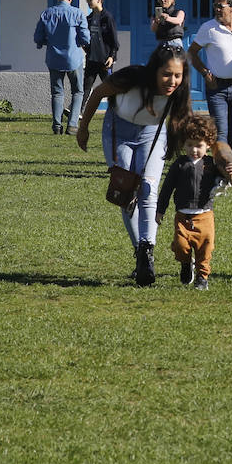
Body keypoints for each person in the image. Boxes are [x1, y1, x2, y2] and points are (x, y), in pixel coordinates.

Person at [76, 43, 193, 286]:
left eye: (178, 75)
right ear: (154, 71)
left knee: (148, 190)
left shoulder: (180, 92)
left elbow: (190, 126)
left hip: (152, 133)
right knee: (126, 192)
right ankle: (141, 253)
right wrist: (83, 128)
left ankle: (146, 251)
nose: (172, 81)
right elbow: (98, 93)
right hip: (119, 129)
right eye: (167, 74)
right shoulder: (132, 78)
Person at [156, 112, 232, 291]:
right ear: (183, 144)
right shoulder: (179, 165)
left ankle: (202, 277)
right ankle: (186, 264)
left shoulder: (212, 164)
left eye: (199, 146)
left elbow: (228, 173)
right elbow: (166, 188)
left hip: (204, 215)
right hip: (182, 216)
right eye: (189, 145)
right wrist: (160, 210)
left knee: (205, 249)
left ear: (209, 146)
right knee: (180, 246)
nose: (194, 150)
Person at [189, 0, 232, 155]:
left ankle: (229, 166)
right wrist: (205, 73)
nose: (216, 9)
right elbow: (191, 53)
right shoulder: (209, 28)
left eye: (220, 6)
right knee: (220, 131)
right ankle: (221, 168)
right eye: (215, 6)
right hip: (216, 87)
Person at [34, 0, 91, 135]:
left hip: (53, 58)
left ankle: (57, 125)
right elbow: (86, 38)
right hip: (74, 58)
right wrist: (78, 43)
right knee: (78, 91)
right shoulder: (78, 14)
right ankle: (72, 125)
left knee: (57, 93)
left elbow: (38, 37)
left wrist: (48, 42)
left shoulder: (46, 13)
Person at [85, 0, 119, 91]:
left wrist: (111, 57)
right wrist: (86, 49)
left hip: (104, 61)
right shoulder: (89, 18)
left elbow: (114, 41)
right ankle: (80, 108)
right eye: (87, 0)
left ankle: (115, 107)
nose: (88, 2)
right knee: (85, 88)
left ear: (99, 0)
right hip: (92, 60)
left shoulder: (107, 17)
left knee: (110, 89)